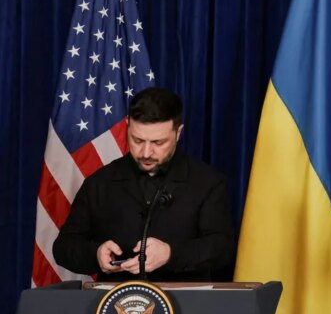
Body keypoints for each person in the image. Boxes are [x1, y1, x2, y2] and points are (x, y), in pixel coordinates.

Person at [53, 87, 235, 282]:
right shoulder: (99, 183)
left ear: (178, 133)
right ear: (127, 127)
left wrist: (170, 254)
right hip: (116, 298)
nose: (146, 153)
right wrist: (95, 254)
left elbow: (222, 249)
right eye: (137, 140)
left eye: (158, 142)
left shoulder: (208, 182)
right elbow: (64, 247)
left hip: (185, 299)